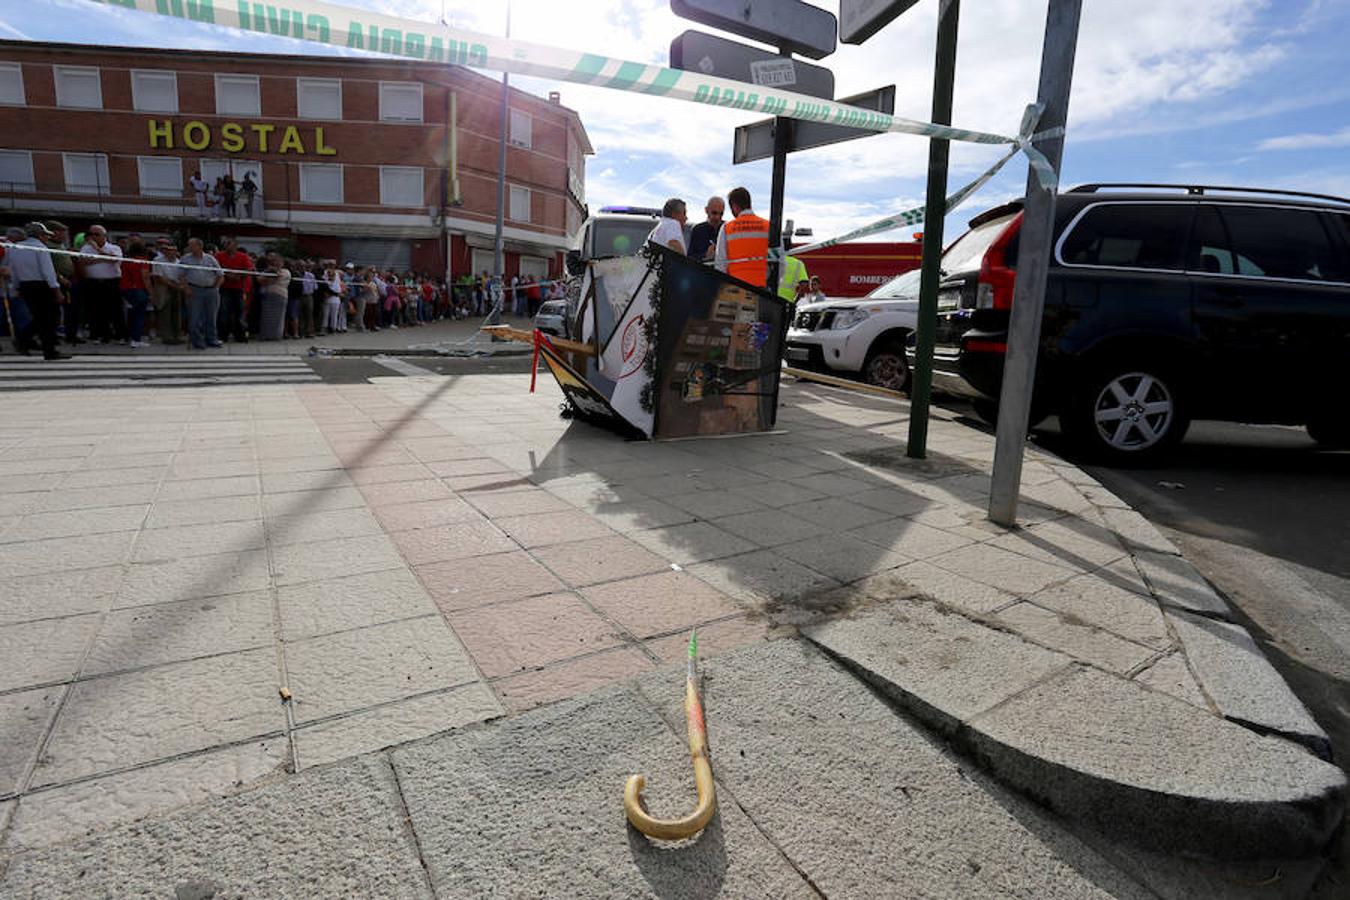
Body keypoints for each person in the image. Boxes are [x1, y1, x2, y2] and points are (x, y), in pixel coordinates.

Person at [6, 223, 69, 360]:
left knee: (40, 317)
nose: (47, 238)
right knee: (50, 318)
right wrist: (56, 290)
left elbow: (14, 269)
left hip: (25, 285)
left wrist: (16, 286)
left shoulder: (16, 249)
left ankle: (23, 340)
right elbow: (48, 271)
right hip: (41, 286)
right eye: (45, 235)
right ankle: (48, 350)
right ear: (40, 235)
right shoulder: (40, 248)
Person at [715, 186, 770, 287]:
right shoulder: (769, 226)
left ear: (735, 206)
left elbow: (720, 264)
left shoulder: (727, 228)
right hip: (763, 289)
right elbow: (780, 262)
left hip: (736, 288)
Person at [78, 224, 124, 343]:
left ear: (104, 235)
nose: (93, 237)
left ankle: (120, 335)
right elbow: (82, 262)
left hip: (111, 282)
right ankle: (100, 335)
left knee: (115, 310)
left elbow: (114, 259)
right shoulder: (85, 249)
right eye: (91, 234)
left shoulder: (114, 248)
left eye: (96, 234)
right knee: (96, 310)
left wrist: (97, 251)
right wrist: (103, 258)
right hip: (93, 282)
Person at [181, 237, 223, 349]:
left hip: (210, 290)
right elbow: (181, 275)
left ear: (199, 246)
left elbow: (220, 274)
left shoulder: (210, 259)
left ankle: (212, 339)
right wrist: (186, 288)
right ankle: (197, 341)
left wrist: (216, 287)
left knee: (211, 316)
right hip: (195, 289)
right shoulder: (185, 259)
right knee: (195, 318)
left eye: (192, 245)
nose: (190, 247)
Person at [215, 237, 253, 343]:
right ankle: (223, 335)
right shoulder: (219, 256)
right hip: (225, 288)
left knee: (240, 313)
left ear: (235, 246)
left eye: (230, 244)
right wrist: (227, 275)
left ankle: (240, 335)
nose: (227, 246)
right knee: (223, 312)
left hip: (239, 288)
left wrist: (238, 275)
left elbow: (249, 270)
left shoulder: (243, 257)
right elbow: (215, 269)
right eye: (226, 244)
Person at [151, 238, 187, 345]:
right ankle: (167, 336)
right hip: (164, 288)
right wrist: (175, 285)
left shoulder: (179, 262)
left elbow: (182, 275)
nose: (171, 252)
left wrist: (180, 285)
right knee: (165, 312)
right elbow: (159, 277)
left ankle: (177, 335)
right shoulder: (158, 260)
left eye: (173, 250)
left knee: (177, 313)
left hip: (177, 288)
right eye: (168, 250)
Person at [121, 239, 153, 347]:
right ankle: (136, 339)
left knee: (131, 314)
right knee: (139, 315)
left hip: (125, 289)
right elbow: (145, 278)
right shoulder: (143, 261)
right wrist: (151, 293)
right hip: (138, 289)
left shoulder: (126, 260)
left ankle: (128, 337)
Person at [256, 252, 289, 340]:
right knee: (266, 317)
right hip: (268, 296)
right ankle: (266, 335)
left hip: (280, 296)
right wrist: (269, 275)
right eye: (274, 261)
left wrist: (268, 279)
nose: (276, 263)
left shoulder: (286, 271)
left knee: (278, 318)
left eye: (278, 261)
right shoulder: (268, 270)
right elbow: (259, 279)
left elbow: (276, 279)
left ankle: (276, 335)